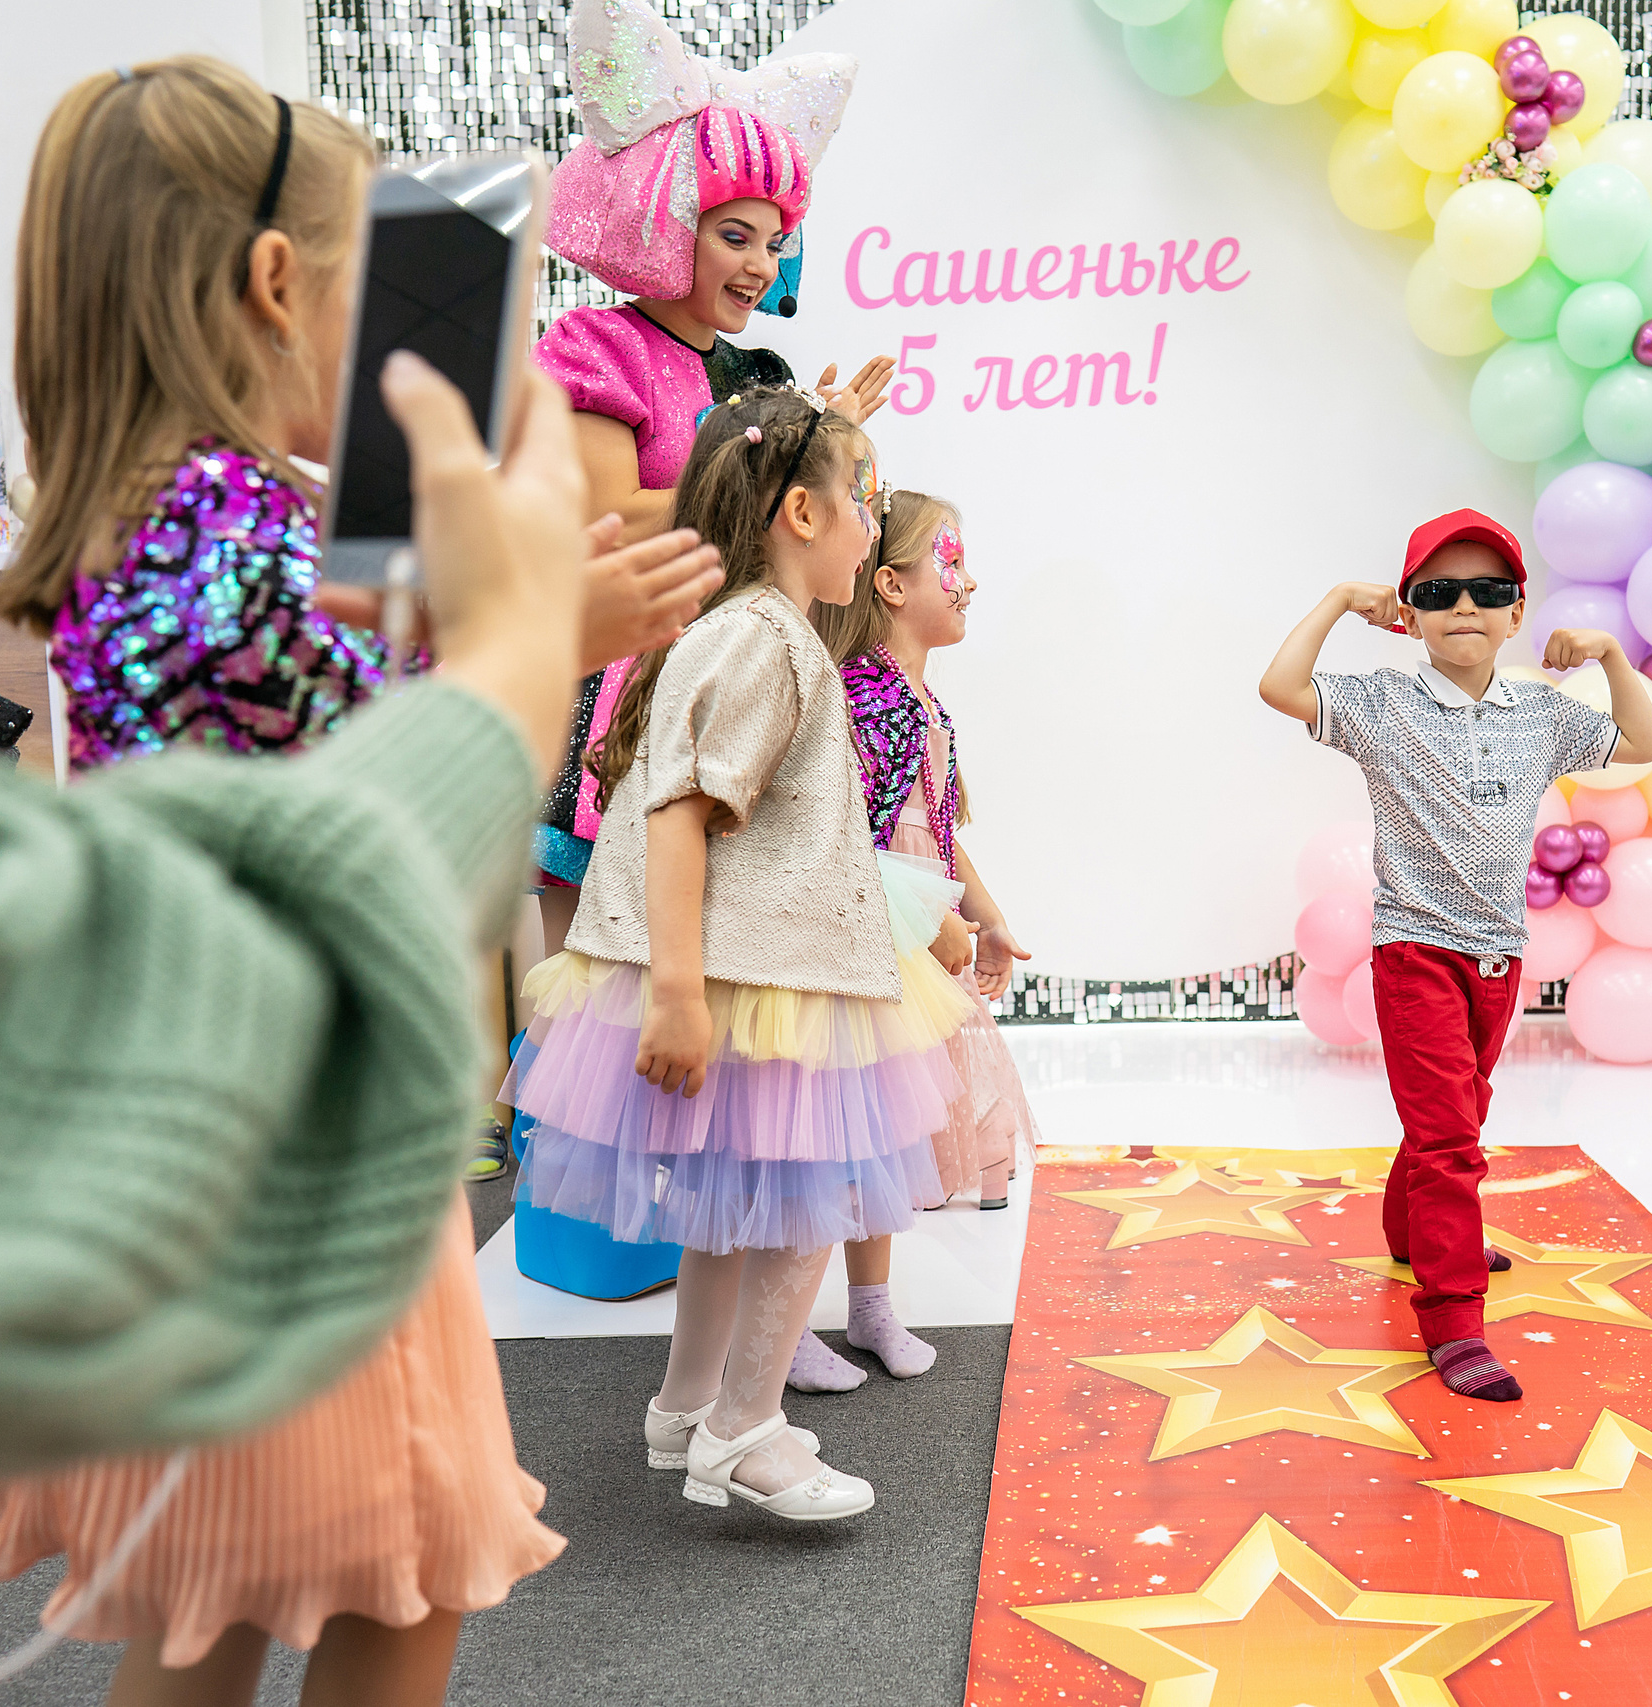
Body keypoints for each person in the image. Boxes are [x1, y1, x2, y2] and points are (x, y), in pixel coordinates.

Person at [0, 61, 700, 1703]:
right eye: (367, 286)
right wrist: (546, 637)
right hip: (303, 1156)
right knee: (392, 1587)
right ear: (279, 285)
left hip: (195, 1130)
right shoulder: (255, 552)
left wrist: (526, 622)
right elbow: (406, 823)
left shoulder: (152, 524)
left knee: (203, 1608)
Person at [507, 388, 975, 1520]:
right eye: (860, 500)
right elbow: (677, 812)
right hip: (759, 978)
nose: (872, 526)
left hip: (764, 969)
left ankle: (689, 1407)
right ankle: (744, 1429)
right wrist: (675, 993)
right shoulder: (766, 642)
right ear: (798, 516)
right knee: (804, 1199)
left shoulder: (753, 633)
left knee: (735, 1202)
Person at [1256, 509, 1652, 1402]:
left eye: (1489, 592)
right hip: (1414, 953)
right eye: (1440, 593)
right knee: (1450, 1139)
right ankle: (1453, 1317)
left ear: (1517, 614)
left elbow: (1645, 743)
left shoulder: (1541, 713)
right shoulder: (1381, 704)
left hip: (1497, 957)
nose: (1466, 608)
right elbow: (1281, 687)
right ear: (1409, 614)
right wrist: (1335, 600)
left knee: (1457, 1118)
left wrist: (1611, 659)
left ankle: (1413, 1232)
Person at [527, 0, 889, 925]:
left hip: (737, 684)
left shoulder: (765, 374)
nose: (762, 264)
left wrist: (829, 442)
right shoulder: (595, 347)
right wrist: (766, 468)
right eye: (735, 236)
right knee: (597, 975)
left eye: (774, 241)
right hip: (623, 686)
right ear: (664, 219)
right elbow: (599, 516)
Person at [791, 491, 1040, 1391]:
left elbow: (935, 825)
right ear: (891, 584)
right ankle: (783, 1324)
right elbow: (849, 833)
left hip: (916, 935)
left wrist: (988, 912)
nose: (967, 580)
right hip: (870, 938)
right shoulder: (865, 693)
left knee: (886, 1131)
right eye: (951, 561)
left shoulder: (920, 699)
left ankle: (870, 1304)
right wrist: (935, 924)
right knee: (835, 1134)